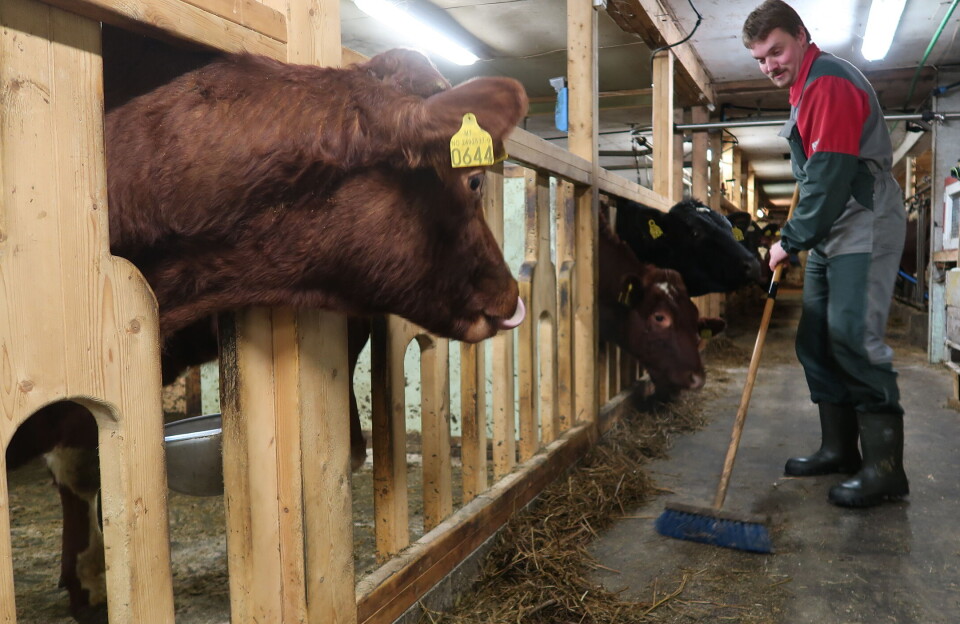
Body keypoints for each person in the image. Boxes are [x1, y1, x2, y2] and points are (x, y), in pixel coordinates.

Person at [742, 0, 908, 508]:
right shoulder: (801, 91)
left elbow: (833, 173)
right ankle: (839, 448)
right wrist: (802, 236)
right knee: (815, 338)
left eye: (777, 50)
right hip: (831, 229)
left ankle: (884, 470)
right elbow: (817, 174)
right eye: (760, 59)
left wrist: (790, 240)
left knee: (853, 336)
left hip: (862, 218)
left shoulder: (829, 82)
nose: (770, 64)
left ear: (801, 35)